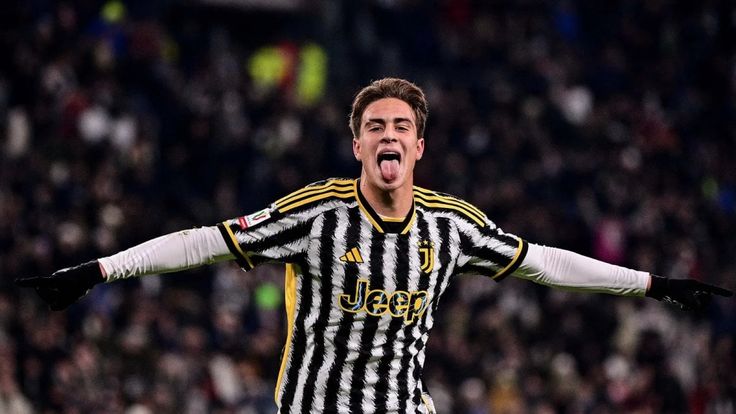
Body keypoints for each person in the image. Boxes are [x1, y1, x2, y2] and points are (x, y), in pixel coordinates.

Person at [16, 78, 732, 414]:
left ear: (419, 147)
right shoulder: (314, 214)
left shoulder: (452, 225)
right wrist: (101, 269)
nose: (389, 135)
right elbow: (207, 243)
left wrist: (652, 284)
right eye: (375, 126)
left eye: (401, 126)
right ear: (357, 145)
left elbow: (542, 263)